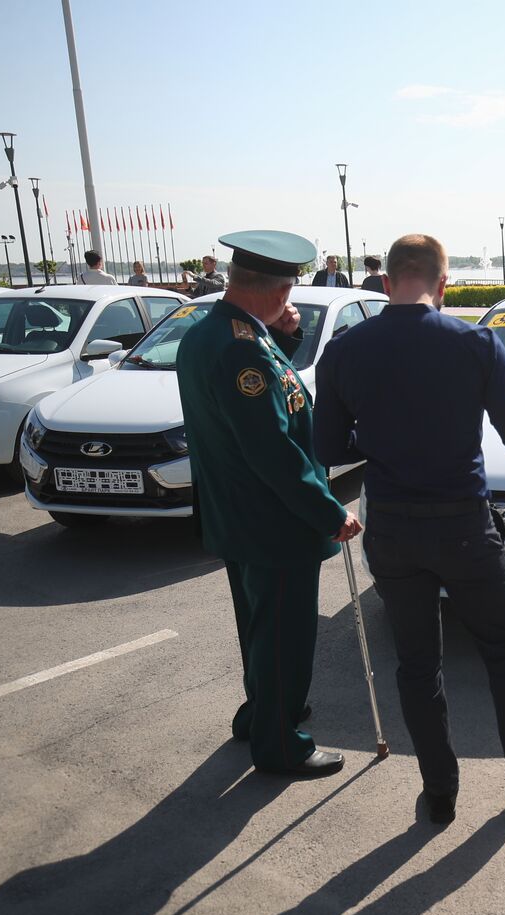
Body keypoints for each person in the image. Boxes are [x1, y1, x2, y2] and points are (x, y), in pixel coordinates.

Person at [313, 233, 505, 823]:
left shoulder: (345, 351)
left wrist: (379, 437)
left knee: (417, 664)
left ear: (387, 281)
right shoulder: (476, 343)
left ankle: (440, 792)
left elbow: (328, 447)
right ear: (443, 284)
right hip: (465, 528)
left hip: (393, 531)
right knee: (503, 650)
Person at [176, 229, 363, 778]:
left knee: (260, 627)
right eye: (289, 292)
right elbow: (272, 449)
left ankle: (260, 713)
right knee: (284, 635)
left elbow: (262, 404)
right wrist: (329, 512)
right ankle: (281, 744)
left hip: (239, 515)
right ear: (279, 290)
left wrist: (281, 337)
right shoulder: (242, 349)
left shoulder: (211, 333)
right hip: (275, 521)